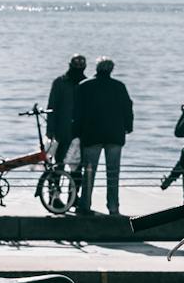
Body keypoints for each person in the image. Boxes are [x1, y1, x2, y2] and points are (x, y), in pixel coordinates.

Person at [74, 56, 134, 217]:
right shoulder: (119, 86)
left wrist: (76, 132)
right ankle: (113, 207)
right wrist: (128, 127)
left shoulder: (85, 86)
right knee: (113, 173)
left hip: (91, 135)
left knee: (89, 172)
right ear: (111, 69)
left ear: (96, 68)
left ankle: (85, 205)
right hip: (114, 135)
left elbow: (77, 112)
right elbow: (128, 108)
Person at [45, 54, 87, 171]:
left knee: (78, 165)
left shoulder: (87, 84)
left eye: (80, 65)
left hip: (81, 131)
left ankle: (73, 182)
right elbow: (52, 107)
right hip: (63, 130)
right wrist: (50, 130)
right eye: (76, 65)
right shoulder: (60, 82)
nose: (78, 68)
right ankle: (55, 181)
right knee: (59, 161)